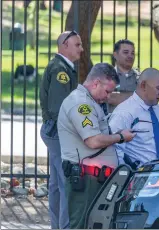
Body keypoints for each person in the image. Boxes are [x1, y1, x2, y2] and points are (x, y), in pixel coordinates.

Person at [57, 63, 136, 229]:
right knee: (82, 225)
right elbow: (93, 141)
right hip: (86, 180)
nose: (108, 97)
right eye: (107, 91)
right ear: (96, 83)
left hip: (94, 178)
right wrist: (121, 137)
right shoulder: (81, 104)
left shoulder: (89, 102)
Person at [39, 30, 83, 229]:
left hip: (54, 131)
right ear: (64, 45)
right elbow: (58, 109)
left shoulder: (63, 67)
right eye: (77, 44)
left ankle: (57, 226)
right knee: (66, 184)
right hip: (58, 132)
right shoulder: (61, 71)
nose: (81, 49)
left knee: (56, 184)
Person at [108, 68, 159, 169]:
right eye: (158, 88)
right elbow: (113, 149)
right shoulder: (124, 112)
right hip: (138, 177)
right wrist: (126, 175)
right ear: (143, 85)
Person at [101, 39, 140, 114]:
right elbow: (110, 98)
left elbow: (148, 98)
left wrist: (119, 96)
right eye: (126, 52)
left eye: (132, 53)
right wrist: (138, 96)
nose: (130, 56)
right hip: (112, 122)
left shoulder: (141, 77)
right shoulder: (106, 77)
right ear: (115, 55)